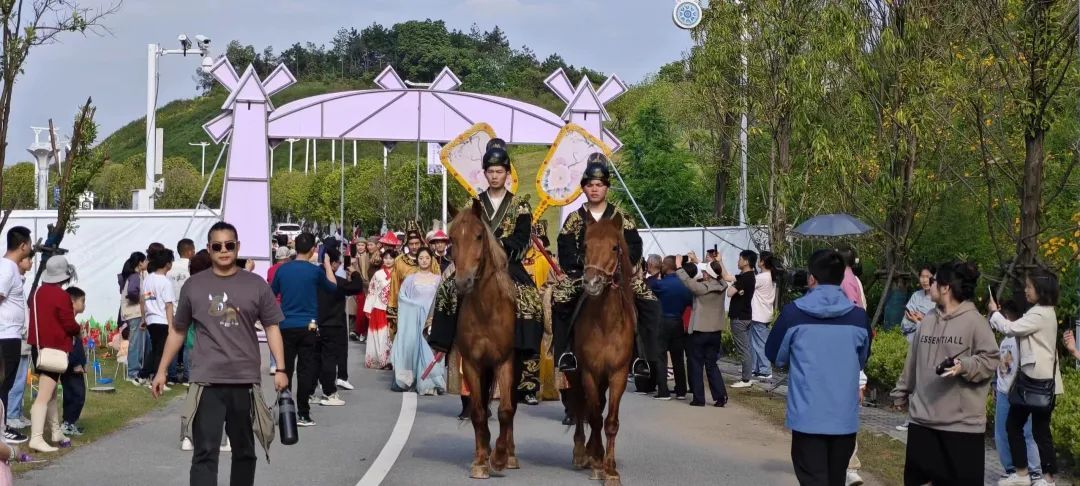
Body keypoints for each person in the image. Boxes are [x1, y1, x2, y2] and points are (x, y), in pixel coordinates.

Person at [151, 222, 287, 486]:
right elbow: (178, 331)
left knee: (245, 452)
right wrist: (161, 369)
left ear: (237, 247)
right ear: (208, 250)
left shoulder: (256, 285)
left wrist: (280, 368)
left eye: (229, 245)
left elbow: (272, 327)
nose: (223, 251)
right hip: (207, 382)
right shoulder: (193, 286)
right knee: (204, 452)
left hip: (244, 381)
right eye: (217, 246)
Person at [427, 141, 544, 404]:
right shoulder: (474, 203)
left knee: (531, 300)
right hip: (475, 263)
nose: (494, 176)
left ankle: (527, 368)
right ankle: (442, 343)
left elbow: (523, 237)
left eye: (499, 171)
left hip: (507, 263)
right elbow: (464, 232)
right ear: (485, 174)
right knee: (447, 288)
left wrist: (501, 249)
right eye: (490, 171)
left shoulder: (520, 206)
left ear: (507, 174)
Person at [764, 249, 871, 486]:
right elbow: (862, 358)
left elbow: (774, 354)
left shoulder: (793, 313)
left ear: (812, 278)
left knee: (813, 479)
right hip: (844, 418)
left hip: (808, 416)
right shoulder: (858, 317)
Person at [550, 153, 659, 380]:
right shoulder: (574, 218)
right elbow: (565, 246)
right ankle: (565, 352)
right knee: (560, 298)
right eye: (590, 185)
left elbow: (634, 246)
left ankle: (644, 356)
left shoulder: (622, 218)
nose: (595, 189)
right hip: (583, 275)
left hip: (617, 276)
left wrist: (621, 267)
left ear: (607, 187)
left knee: (649, 300)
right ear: (583, 189)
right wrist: (583, 266)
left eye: (599, 185)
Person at [890, 261, 998, 485]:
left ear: (946, 287)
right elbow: (913, 360)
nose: (929, 286)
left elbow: (991, 360)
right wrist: (901, 391)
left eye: (933, 281)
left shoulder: (975, 322)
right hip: (922, 423)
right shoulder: (927, 319)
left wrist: (964, 365)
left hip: (961, 427)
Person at [990, 268, 1063, 486]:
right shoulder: (1044, 312)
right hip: (1037, 382)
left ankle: (1033, 476)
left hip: (1035, 383)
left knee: (1026, 428)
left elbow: (1010, 328)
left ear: (1040, 290)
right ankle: (1032, 476)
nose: (1026, 290)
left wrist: (994, 313)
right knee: (1032, 429)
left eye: (1029, 286)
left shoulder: (1040, 314)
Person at [270, 232, 337, 427]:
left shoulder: (282, 270)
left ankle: (285, 412)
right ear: (313, 249)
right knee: (306, 370)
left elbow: (271, 294)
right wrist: (326, 264)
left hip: (285, 325)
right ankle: (303, 413)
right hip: (309, 325)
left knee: (286, 369)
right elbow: (333, 287)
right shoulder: (315, 271)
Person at [27, 255, 81, 453]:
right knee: (43, 396)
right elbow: (68, 323)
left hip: (39, 347)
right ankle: (37, 437)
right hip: (54, 349)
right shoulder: (61, 296)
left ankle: (56, 431)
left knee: (49, 393)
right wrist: (78, 329)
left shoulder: (38, 292)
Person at [991, 301, 1044, 485]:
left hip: (1020, 392)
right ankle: (1011, 469)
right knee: (1001, 433)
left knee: (1026, 432)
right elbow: (1000, 365)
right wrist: (995, 385)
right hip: (1003, 391)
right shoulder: (1005, 339)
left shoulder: (1022, 335)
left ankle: (1034, 470)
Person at [390, 247, 446, 395]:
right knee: (413, 349)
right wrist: (416, 306)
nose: (424, 261)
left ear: (431, 259)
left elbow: (441, 299)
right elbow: (402, 297)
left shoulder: (438, 279)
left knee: (430, 349)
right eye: (421, 258)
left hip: (432, 319)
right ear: (417, 260)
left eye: (427, 258)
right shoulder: (410, 279)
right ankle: (413, 378)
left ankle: (430, 382)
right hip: (414, 320)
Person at [314, 246, 365, 406]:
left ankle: (311, 391)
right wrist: (354, 272)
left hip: (315, 323)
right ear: (333, 263)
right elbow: (356, 287)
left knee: (314, 358)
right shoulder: (335, 281)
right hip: (333, 323)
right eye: (339, 263)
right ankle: (329, 391)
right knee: (330, 358)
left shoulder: (313, 278)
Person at [676, 257, 729, 407]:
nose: (703, 273)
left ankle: (699, 398)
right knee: (712, 364)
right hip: (715, 332)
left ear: (707, 274)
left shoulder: (702, 289)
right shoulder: (723, 285)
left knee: (696, 364)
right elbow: (720, 275)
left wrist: (679, 267)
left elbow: (687, 281)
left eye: (705, 271)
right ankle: (720, 396)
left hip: (700, 331)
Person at [0, 227, 31, 445]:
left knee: (7, 383)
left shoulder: (9, 268)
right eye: (29, 245)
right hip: (5, 335)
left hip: (10, 335)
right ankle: (1, 429)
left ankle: (2, 426)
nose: (29, 249)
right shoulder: (8, 268)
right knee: (3, 384)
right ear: (22, 246)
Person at [649, 255, 692, 400]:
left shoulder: (658, 284)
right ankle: (681, 390)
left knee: (661, 356)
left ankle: (663, 391)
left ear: (666, 266)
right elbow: (689, 301)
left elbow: (647, 288)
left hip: (662, 321)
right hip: (677, 321)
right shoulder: (684, 285)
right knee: (678, 357)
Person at [140, 249, 177, 387]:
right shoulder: (165, 282)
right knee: (160, 351)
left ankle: (144, 375)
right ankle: (155, 378)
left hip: (151, 319)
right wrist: (171, 325)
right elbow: (169, 305)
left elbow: (143, 300)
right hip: (162, 320)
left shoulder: (148, 279)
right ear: (168, 264)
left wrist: (144, 318)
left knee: (155, 349)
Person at [166, 239, 196, 384]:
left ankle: (171, 376)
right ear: (190, 251)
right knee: (187, 344)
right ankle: (187, 375)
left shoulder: (170, 267)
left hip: (172, 309)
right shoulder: (191, 267)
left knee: (173, 342)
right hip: (187, 309)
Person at [60, 287, 87, 437]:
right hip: (71, 366)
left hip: (76, 365)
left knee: (73, 394)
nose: (84, 304)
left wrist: (83, 362)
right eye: (82, 301)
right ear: (72, 301)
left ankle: (69, 423)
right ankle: (68, 423)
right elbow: (70, 347)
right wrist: (76, 363)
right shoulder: (69, 323)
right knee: (77, 394)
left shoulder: (73, 322)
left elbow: (79, 346)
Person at [728, 250, 758, 388]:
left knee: (744, 349)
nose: (737, 261)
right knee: (746, 347)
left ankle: (746, 379)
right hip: (745, 316)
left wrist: (734, 287)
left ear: (746, 261)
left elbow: (729, 293)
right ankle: (747, 376)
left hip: (740, 317)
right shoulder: (749, 276)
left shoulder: (745, 278)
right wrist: (719, 261)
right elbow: (726, 276)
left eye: (740, 259)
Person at [119, 251, 148, 385]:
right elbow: (132, 292)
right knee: (135, 344)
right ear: (140, 263)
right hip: (134, 313)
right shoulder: (135, 276)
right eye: (145, 260)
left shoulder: (134, 276)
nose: (147, 263)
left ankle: (137, 371)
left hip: (133, 313)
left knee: (138, 343)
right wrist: (138, 300)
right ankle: (133, 373)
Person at [364, 250, 396, 369]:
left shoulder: (398, 273)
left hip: (394, 308)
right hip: (379, 307)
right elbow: (372, 291)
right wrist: (368, 308)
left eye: (391, 258)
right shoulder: (378, 274)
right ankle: (382, 360)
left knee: (391, 335)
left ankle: (392, 360)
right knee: (380, 335)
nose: (388, 260)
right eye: (386, 258)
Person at [750, 251, 779, 380]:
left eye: (759, 259)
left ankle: (765, 370)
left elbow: (748, 284)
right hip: (765, 313)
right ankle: (756, 368)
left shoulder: (762, 277)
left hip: (758, 314)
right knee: (756, 342)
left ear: (762, 262)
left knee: (760, 343)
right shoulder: (770, 276)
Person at [900, 264, 936, 344]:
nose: (925, 280)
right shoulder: (916, 295)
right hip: (910, 341)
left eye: (928, 277)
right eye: (922, 277)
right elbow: (905, 323)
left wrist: (923, 319)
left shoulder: (939, 299)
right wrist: (913, 318)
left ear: (934, 278)